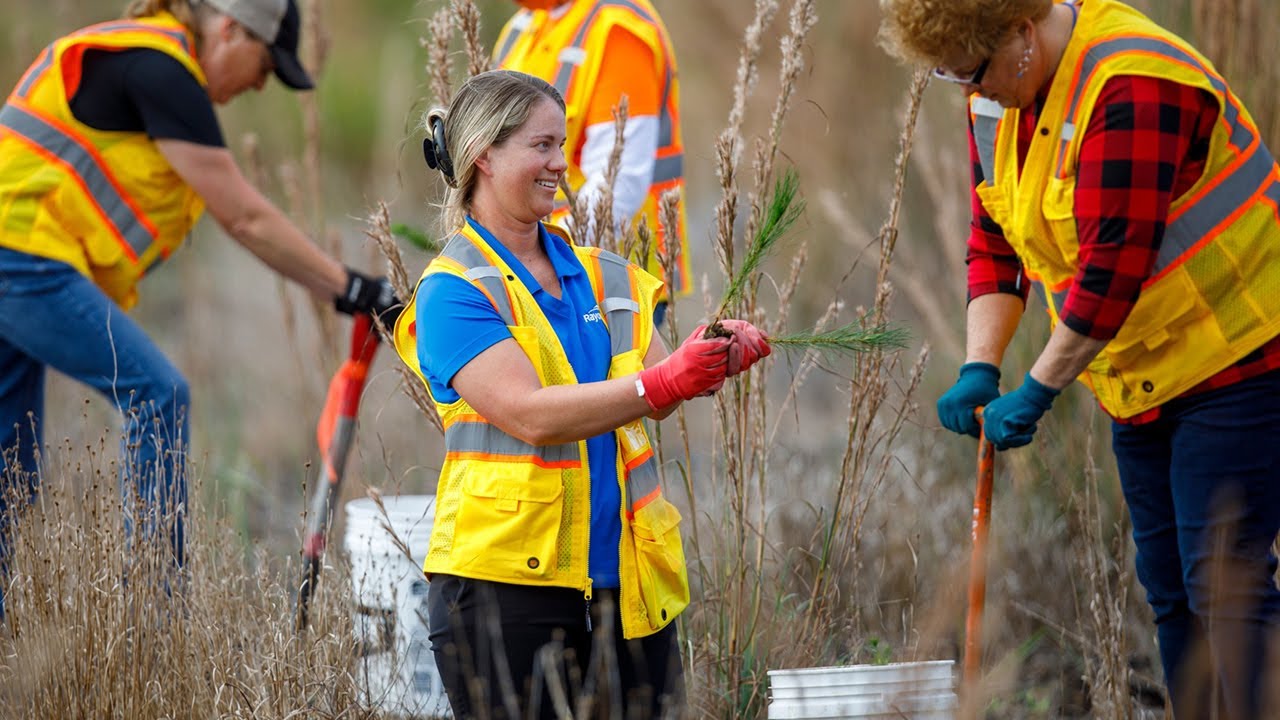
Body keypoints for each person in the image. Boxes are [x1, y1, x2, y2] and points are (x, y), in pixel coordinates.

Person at [879, 0, 1280, 717]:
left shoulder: (1131, 84)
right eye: (949, 75)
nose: (969, 90)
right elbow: (994, 240)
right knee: (1171, 592)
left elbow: (1112, 271)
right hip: (1141, 376)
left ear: (1021, 34)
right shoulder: (995, 97)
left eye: (973, 70)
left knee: (1225, 588)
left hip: (1243, 355)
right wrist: (982, 364)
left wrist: (1036, 389)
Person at [0, 0, 399, 615]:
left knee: (11, 472)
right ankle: (158, 628)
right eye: (265, 64)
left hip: (21, 254)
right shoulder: (161, 69)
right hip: (19, 259)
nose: (262, 83)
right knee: (157, 397)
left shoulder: (145, 61)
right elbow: (243, 215)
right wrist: (351, 289)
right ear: (230, 28)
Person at [392, 69, 767, 719]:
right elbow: (530, 416)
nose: (559, 165)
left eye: (561, 145)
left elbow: (655, 387)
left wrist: (710, 356)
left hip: (627, 586)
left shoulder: (604, 274)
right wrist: (665, 379)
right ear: (485, 153)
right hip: (504, 590)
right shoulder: (454, 289)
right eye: (541, 146)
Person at [492, 0, 690, 327]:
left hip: (606, 280)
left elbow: (619, 186)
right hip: (532, 272)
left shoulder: (617, 29)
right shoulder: (523, 25)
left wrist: (532, 261)